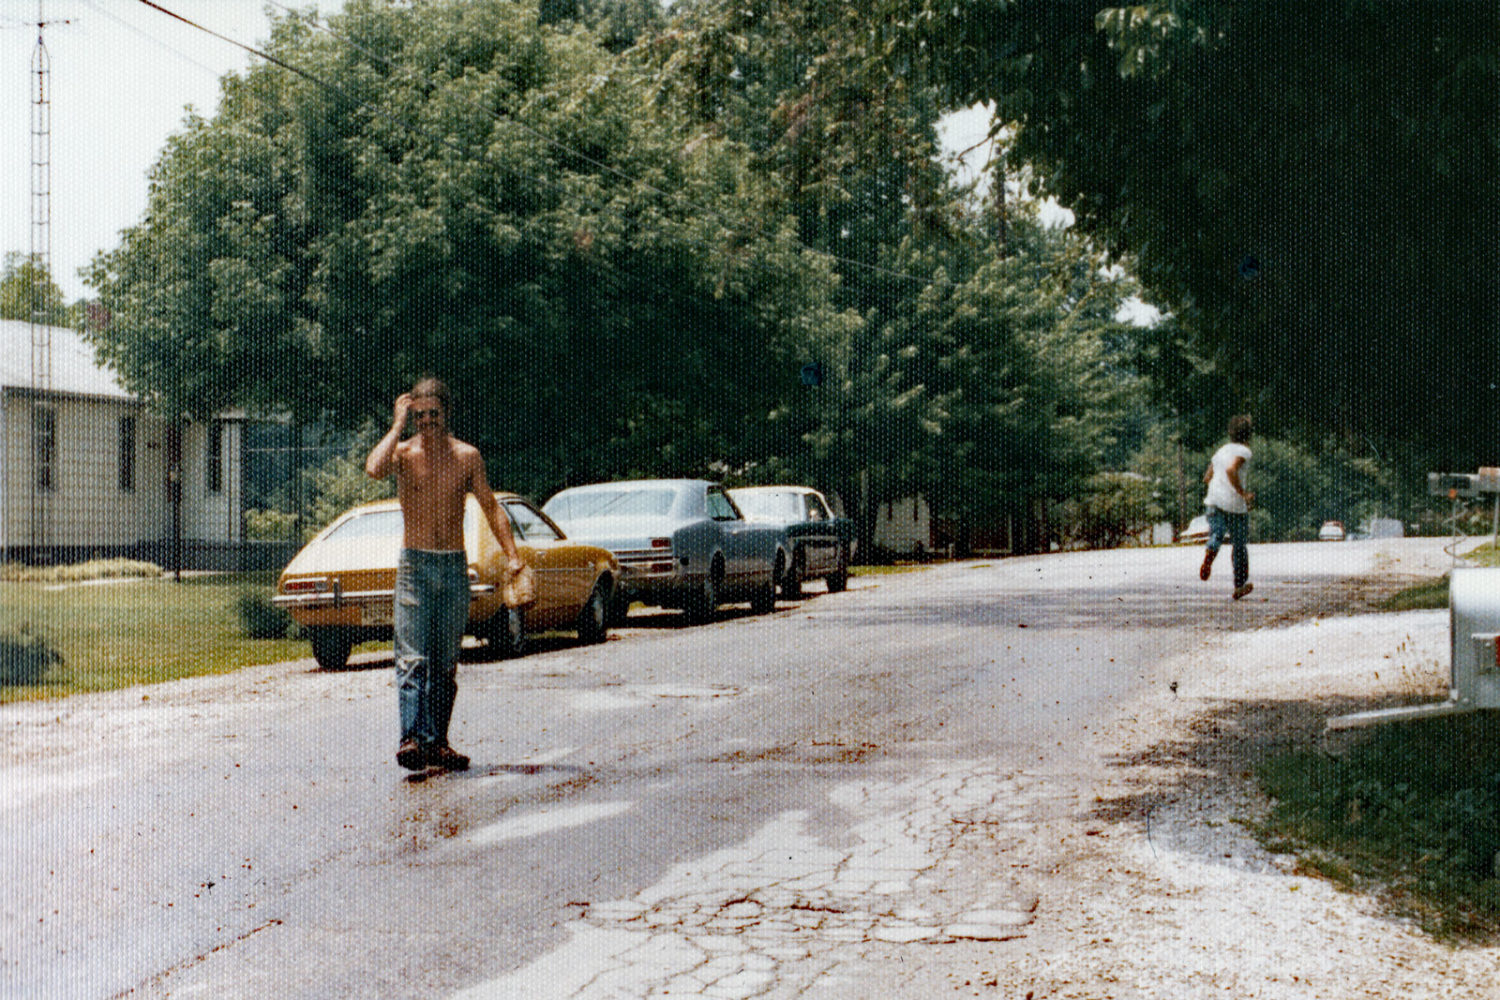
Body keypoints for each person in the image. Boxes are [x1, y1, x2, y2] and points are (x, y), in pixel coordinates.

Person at [366, 377, 523, 771]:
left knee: (445, 662)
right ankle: (411, 738)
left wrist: (514, 556)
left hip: (453, 567)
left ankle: (437, 742)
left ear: (447, 413)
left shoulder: (467, 456)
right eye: (419, 416)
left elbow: (490, 506)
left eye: (433, 414)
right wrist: (397, 423)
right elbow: (373, 469)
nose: (427, 422)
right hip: (415, 567)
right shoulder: (403, 453)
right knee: (411, 658)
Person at [1199, 414, 1256, 600]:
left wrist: (1217, 489)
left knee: (1217, 533)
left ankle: (1210, 552)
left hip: (1214, 500)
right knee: (1239, 545)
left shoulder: (1221, 450)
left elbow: (1207, 477)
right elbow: (1231, 470)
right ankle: (1239, 585)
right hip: (1235, 505)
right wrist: (1244, 494)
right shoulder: (1245, 451)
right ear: (1249, 435)